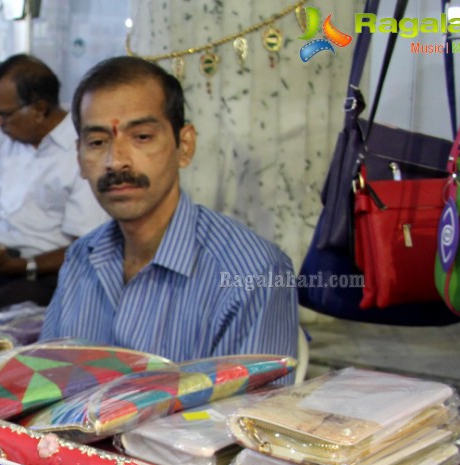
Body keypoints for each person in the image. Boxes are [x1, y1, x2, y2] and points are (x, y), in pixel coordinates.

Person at [40, 57, 298, 362]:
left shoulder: (254, 273)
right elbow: (46, 380)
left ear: (184, 146)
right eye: (97, 142)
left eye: (142, 137)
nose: (115, 161)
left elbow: (253, 409)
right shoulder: (81, 258)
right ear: (80, 159)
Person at [0, 54, 109, 320]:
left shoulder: (83, 151)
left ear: (39, 109)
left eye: (3, 114)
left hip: (52, 275)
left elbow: (86, 249)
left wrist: (21, 266)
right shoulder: (14, 144)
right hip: (6, 267)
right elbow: (13, 213)